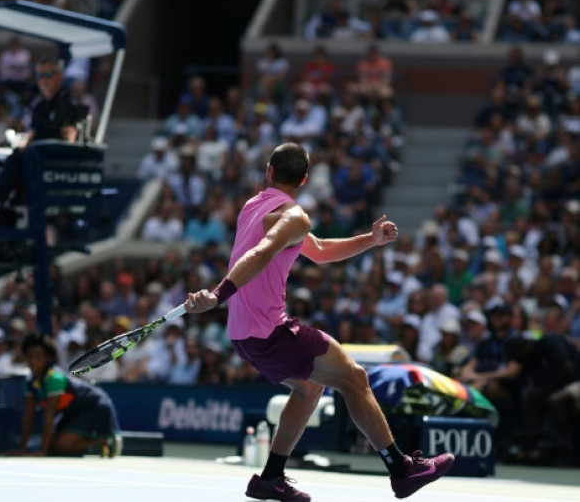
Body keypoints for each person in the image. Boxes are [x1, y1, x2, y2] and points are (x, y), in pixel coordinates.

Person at [186, 143, 454, 501]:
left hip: (243, 336)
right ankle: (401, 470)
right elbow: (262, 253)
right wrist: (218, 295)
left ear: (269, 172)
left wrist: (370, 240)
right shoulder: (294, 217)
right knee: (355, 379)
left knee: (309, 387)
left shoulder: (253, 206)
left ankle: (270, 478)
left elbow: (321, 251)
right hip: (270, 331)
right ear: (304, 180)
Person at [0, 56, 84, 222]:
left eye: (48, 75)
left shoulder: (68, 104)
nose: (43, 80)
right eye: (39, 76)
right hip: (30, 156)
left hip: (48, 162)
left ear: (59, 76)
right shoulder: (38, 105)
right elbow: (33, 132)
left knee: (16, 159)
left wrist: (34, 139)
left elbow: (67, 137)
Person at [10, 333, 121, 457]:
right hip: (74, 411)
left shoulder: (54, 379)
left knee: (62, 445)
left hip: (95, 406)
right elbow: (28, 416)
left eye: (38, 357)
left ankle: (105, 442)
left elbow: (49, 418)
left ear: (48, 358)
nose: (33, 361)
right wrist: (22, 450)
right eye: (30, 357)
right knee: (53, 443)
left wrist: (42, 452)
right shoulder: (30, 381)